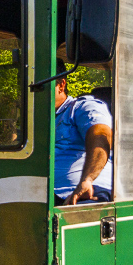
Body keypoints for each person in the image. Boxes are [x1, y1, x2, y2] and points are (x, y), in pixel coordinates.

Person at [53, 64, 113, 205]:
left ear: (61, 85)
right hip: (44, 194)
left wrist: (87, 180)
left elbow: (101, 135)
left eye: (39, 85)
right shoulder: (34, 122)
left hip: (86, 191)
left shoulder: (81, 107)